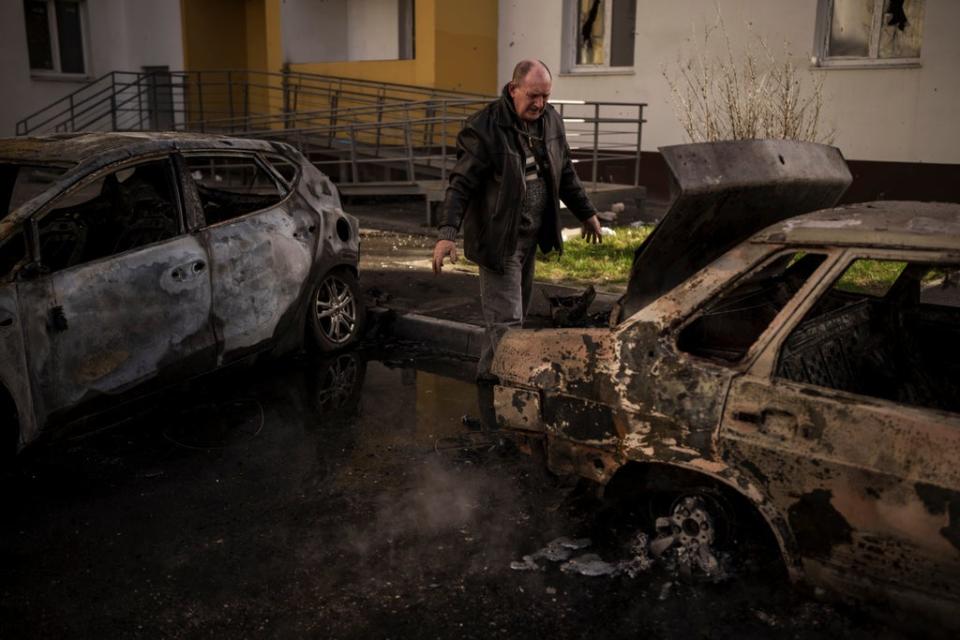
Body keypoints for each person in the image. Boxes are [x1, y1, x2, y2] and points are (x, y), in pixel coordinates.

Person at [432, 59, 602, 381]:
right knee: (509, 326)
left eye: (546, 97)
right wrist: (447, 233)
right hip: (500, 241)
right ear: (513, 90)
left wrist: (586, 212)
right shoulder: (484, 127)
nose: (539, 104)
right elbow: (461, 184)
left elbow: (564, 171)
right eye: (533, 95)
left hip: (530, 239)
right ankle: (517, 393)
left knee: (509, 320)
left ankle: (487, 381)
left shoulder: (550, 121)